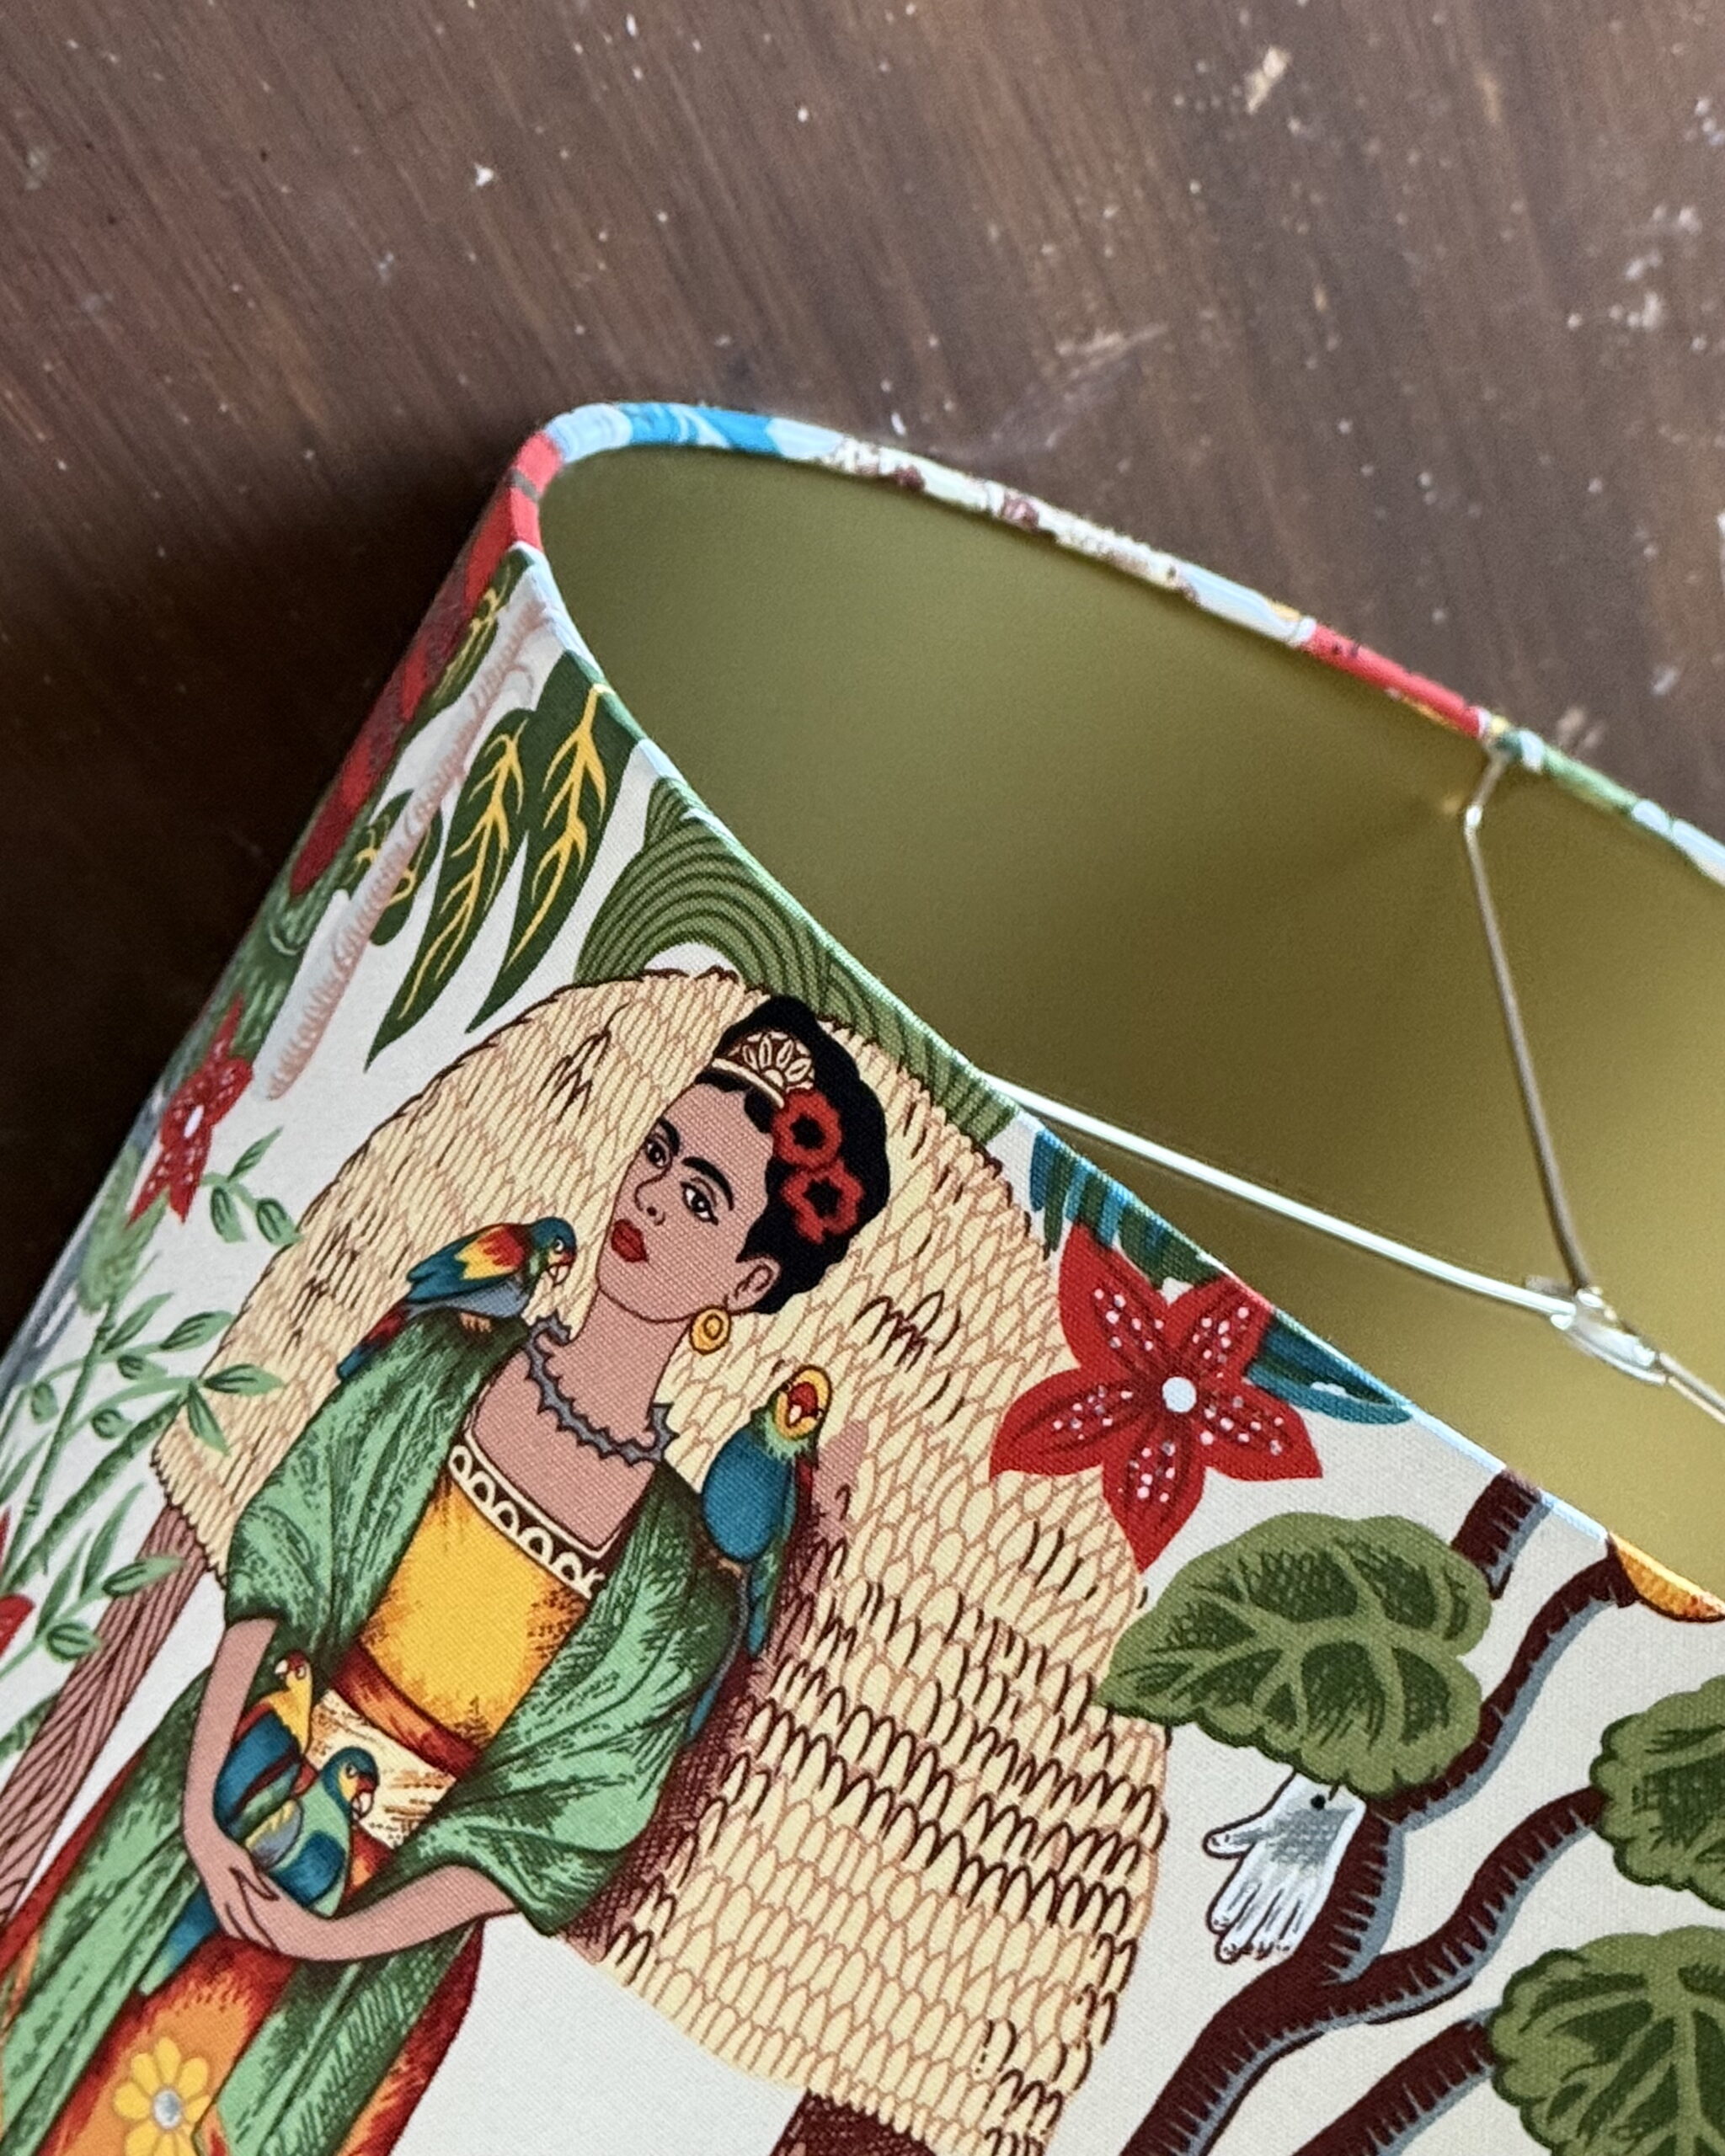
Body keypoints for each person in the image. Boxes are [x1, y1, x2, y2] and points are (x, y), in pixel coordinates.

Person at [0, 995, 890, 2156]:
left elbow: (541, 1834)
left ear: (749, 1280)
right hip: (214, 1793)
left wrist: (329, 1939)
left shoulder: (678, 1586)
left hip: (369, 1951)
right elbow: (284, 1572)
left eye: (701, 1199)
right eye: (659, 1152)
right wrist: (207, 1815)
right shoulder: (438, 1362)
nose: (650, 1199)